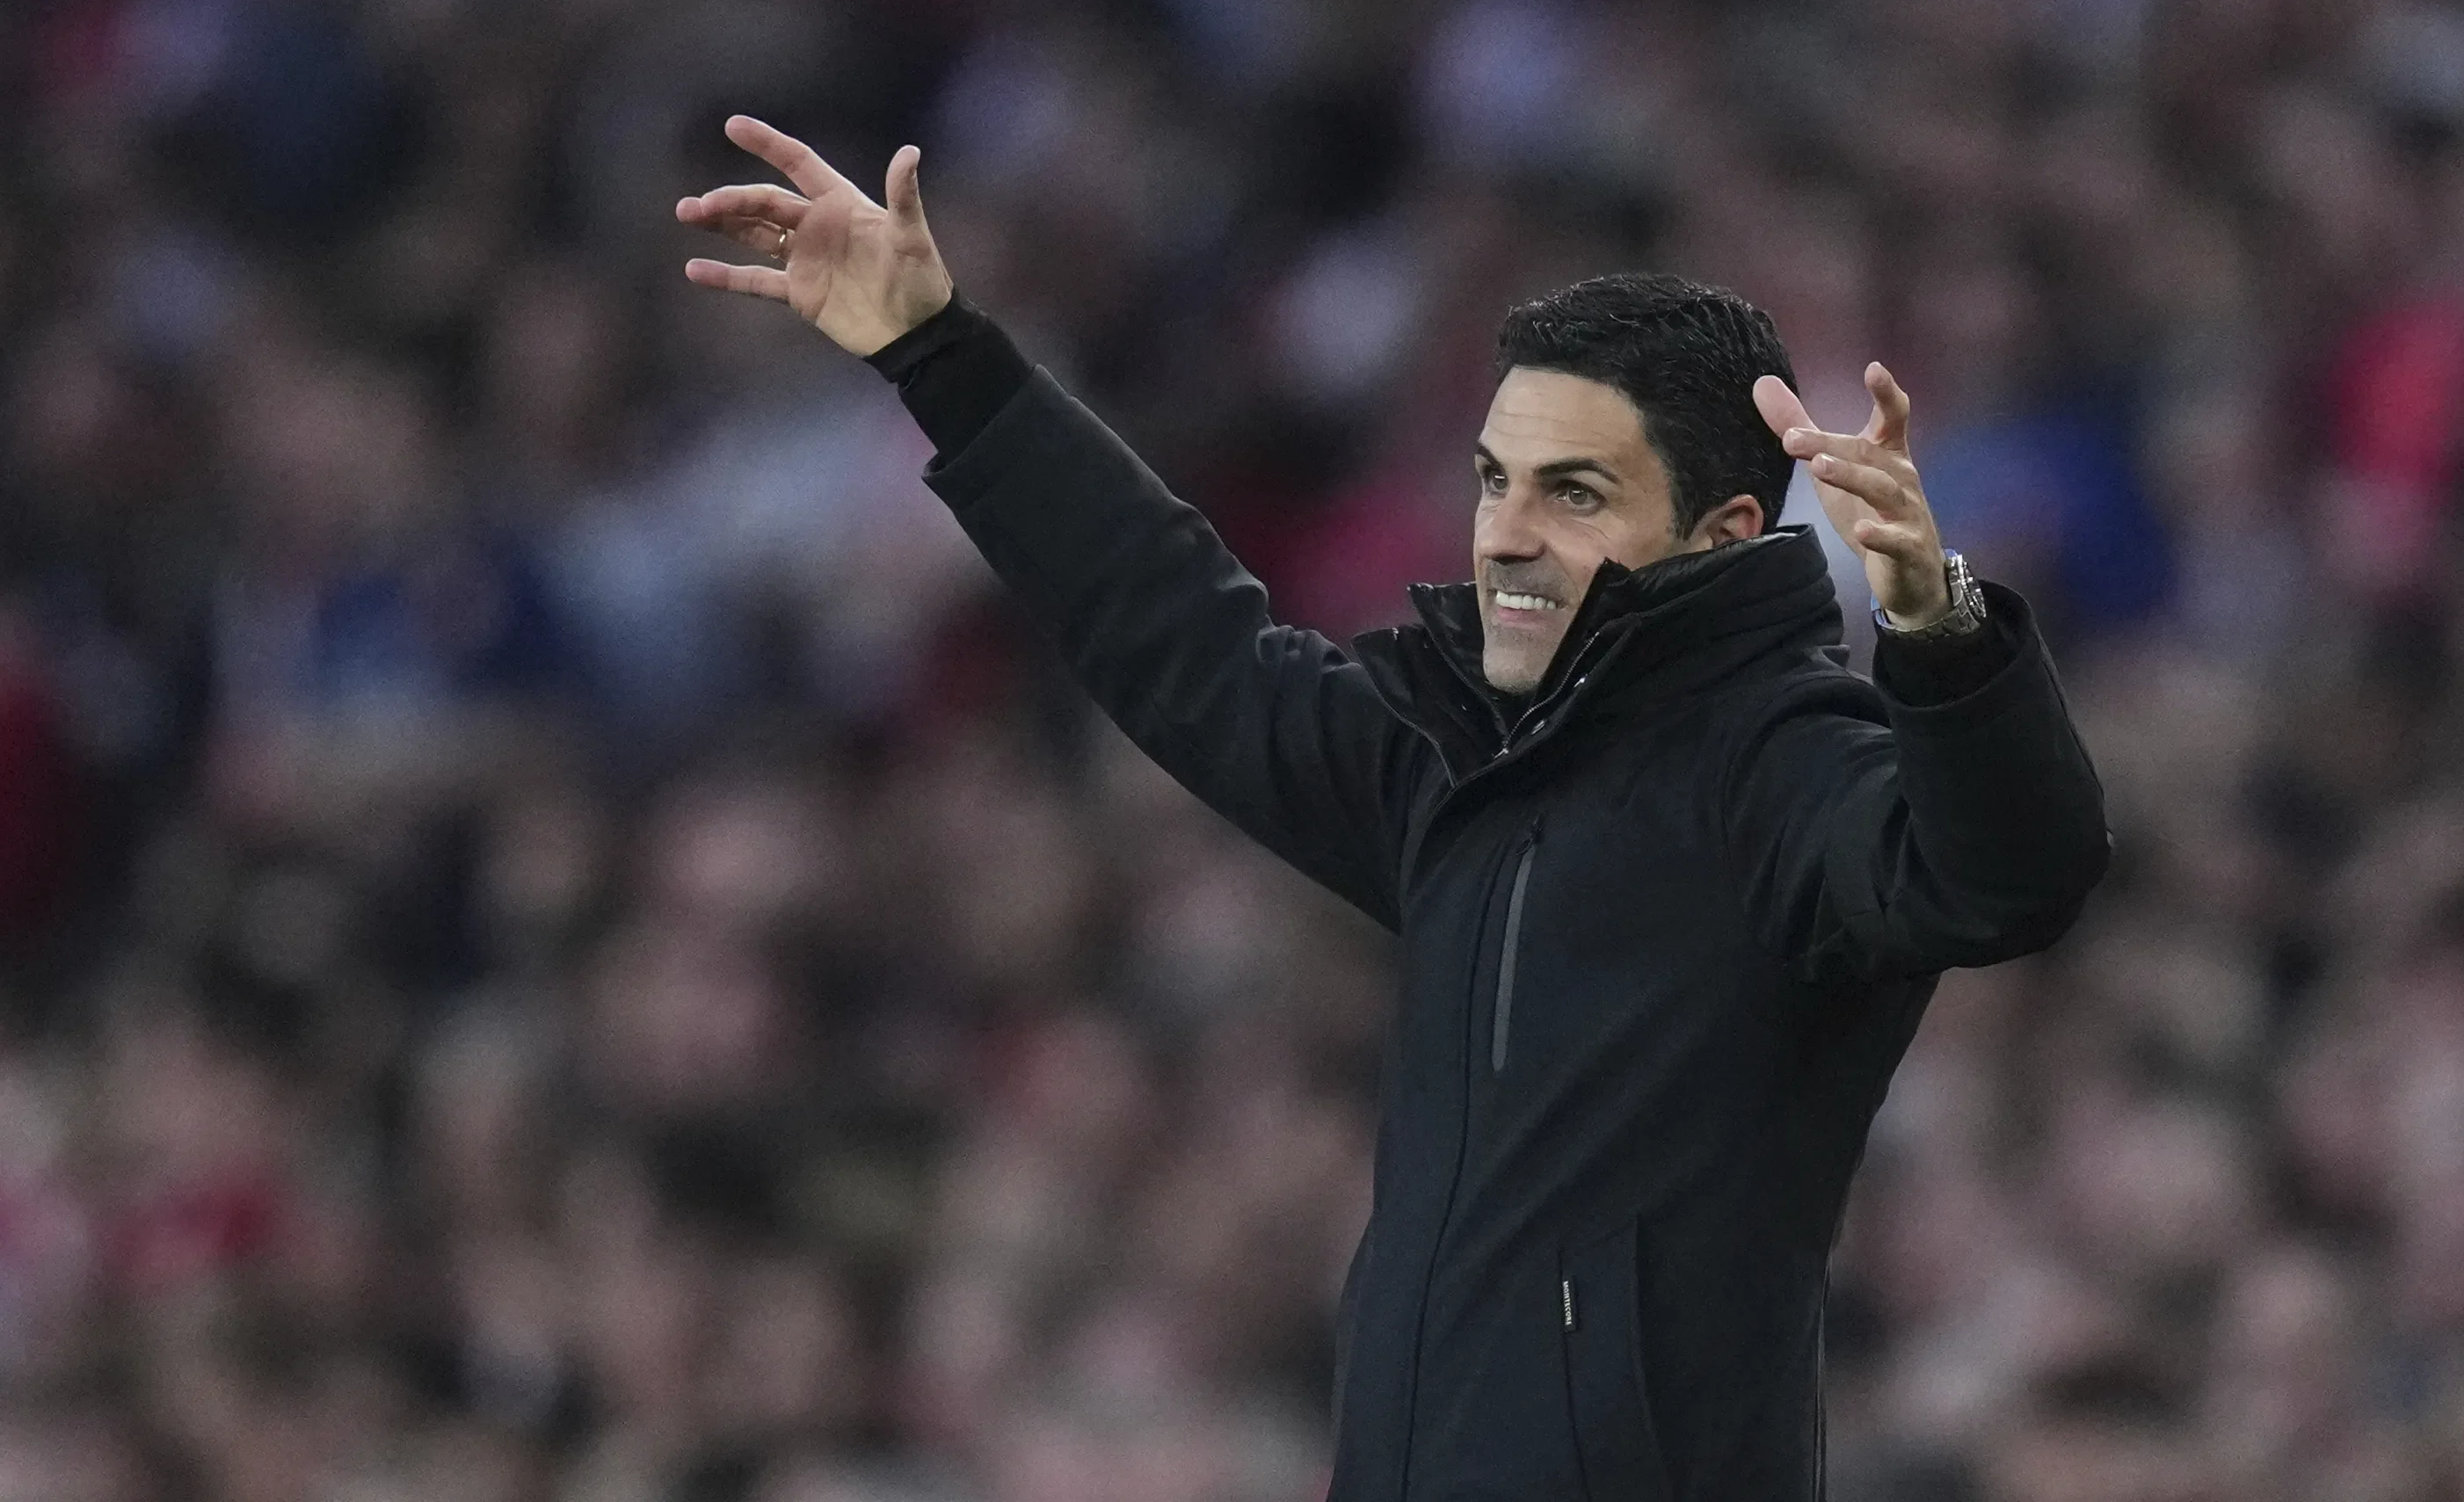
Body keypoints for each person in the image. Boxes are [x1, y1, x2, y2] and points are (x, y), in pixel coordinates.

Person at [677, 117, 2111, 1502]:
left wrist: (1942, 631)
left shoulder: (1785, 765)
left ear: (1723, 533)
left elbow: (2009, 876)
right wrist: (941, 354)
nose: (1505, 534)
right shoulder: (1459, 763)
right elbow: (1190, 645)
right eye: (1494, 481)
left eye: (1573, 493)